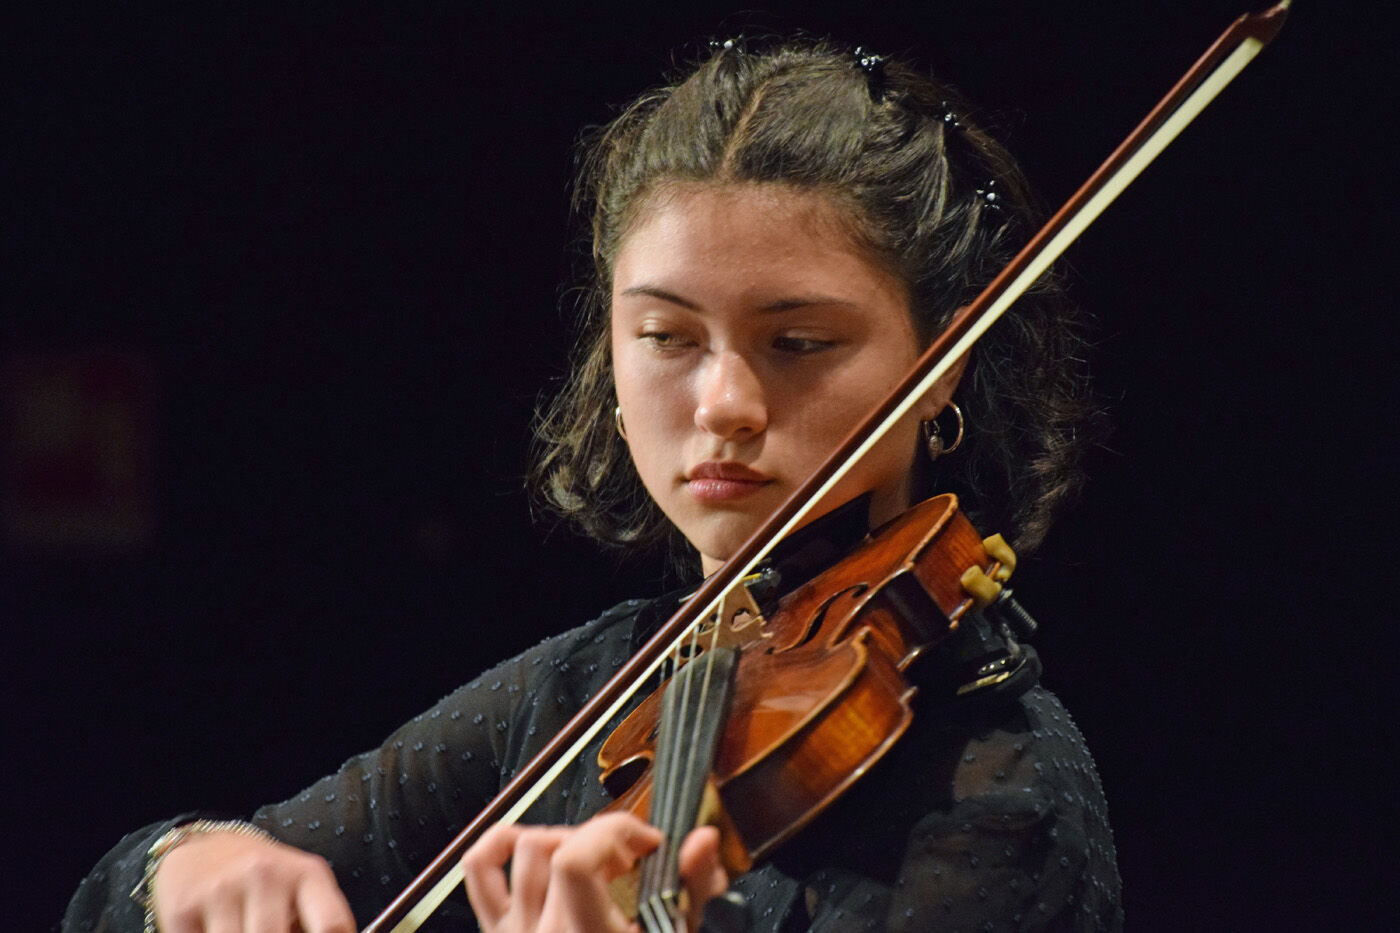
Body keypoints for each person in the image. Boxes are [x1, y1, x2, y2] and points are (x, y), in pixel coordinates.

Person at [64, 38, 1122, 932]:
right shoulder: (593, 692)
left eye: (798, 341)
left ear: (940, 365)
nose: (723, 403)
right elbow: (118, 897)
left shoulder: (996, 788)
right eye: (665, 336)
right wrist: (191, 865)